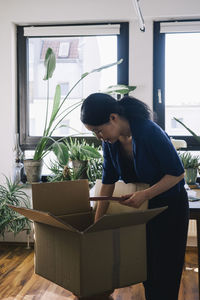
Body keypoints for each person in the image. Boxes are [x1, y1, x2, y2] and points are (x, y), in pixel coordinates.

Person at [80, 93, 189, 300]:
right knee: (148, 269)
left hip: (169, 207)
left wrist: (143, 195)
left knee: (165, 271)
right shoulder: (110, 143)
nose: (99, 137)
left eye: (98, 130)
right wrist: (96, 226)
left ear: (113, 117)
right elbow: (108, 182)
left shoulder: (148, 132)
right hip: (144, 209)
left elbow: (177, 173)